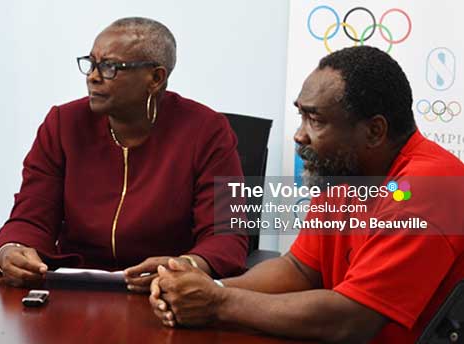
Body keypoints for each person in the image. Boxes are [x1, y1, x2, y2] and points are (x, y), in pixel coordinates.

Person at [149, 46, 464, 343]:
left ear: (374, 131)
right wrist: (202, 288)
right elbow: (298, 270)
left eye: (316, 120)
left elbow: (353, 319)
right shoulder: (345, 173)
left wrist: (217, 303)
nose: (300, 134)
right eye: (301, 115)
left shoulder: (428, 186)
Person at [0, 17, 248, 292]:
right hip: (74, 293)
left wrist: (183, 267)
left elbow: (227, 233)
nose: (93, 77)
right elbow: (31, 215)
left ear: (156, 78)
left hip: (167, 294)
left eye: (111, 67)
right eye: (91, 64)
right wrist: (11, 251)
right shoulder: (63, 124)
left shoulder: (208, 130)